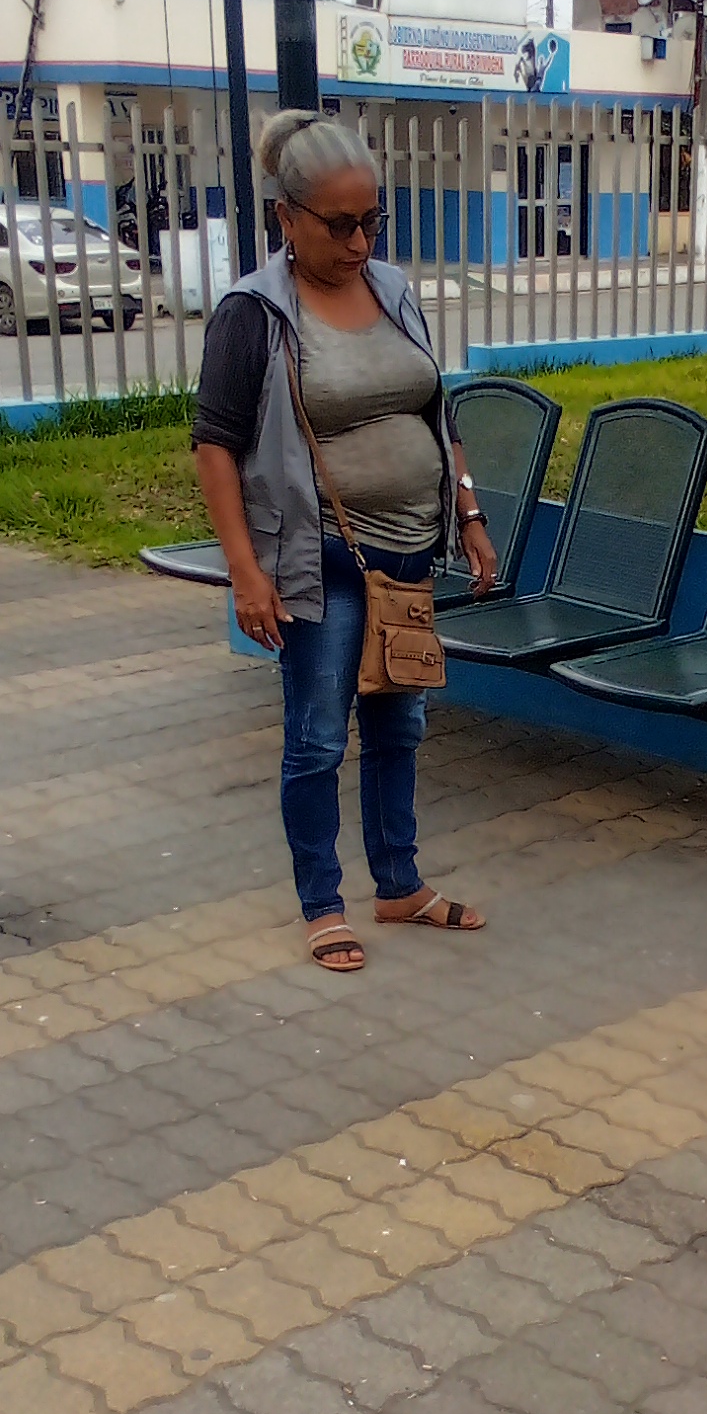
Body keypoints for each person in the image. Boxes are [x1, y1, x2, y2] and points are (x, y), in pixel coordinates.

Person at [191, 112, 497, 972]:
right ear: (285, 218)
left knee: (401, 727)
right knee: (319, 736)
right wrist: (245, 574)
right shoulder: (255, 314)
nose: (360, 242)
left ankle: (399, 884)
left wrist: (469, 514)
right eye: (339, 225)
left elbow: (437, 411)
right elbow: (214, 447)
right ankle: (323, 904)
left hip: (409, 555)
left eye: (373, 221)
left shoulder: (393, 290)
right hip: (322, 559)